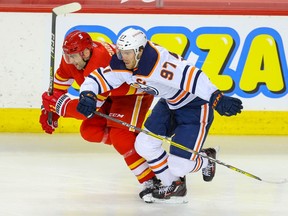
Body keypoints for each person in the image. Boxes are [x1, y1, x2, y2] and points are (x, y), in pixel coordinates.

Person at [76, 28, 243, 203]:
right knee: (144, 144)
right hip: (169, 104)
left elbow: (193, 76)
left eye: (127, 53)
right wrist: (87, 94)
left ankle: (206, 159)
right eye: (121, 52)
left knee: (180, 166)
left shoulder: (159, 63)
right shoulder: (123, 64)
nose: (123, 57)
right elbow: (99, 78)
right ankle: (174, 185)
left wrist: (216, 97)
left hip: (195, 107)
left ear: (140, 51)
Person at [39, 30, 160, 202]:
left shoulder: (101, 61)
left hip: (132, 94)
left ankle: (152, 180)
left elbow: (87, 108)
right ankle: (136, 142)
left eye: (73, 57)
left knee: (120, 137)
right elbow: (58, 89)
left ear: (86, 52)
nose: (70, 61)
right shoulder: (72, 59)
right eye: (67, 56)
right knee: (90, 130)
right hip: (109, 95)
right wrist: (49, 111)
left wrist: (59, 107)